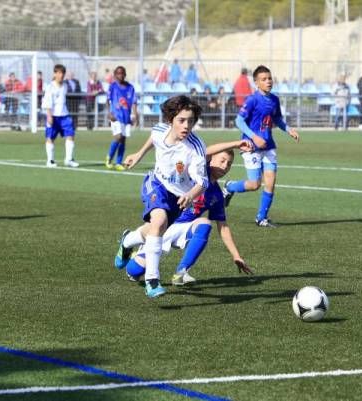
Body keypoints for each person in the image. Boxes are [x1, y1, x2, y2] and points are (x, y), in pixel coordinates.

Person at [114, 95, 209, 298]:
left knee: (154, 229)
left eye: (191, 121)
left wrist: (191, 195)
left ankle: (127, 241)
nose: (186, 126)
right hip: (156, 183)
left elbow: (203, 182)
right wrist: (138, 155)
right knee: (159, 221)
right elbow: (153, 138)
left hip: (179, 197)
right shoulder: (160, 130)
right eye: (181, 120)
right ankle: (152, 280)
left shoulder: (196, 148)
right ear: (170, 119)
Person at [122, 143, 254, 286]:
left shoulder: (216, 194)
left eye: (229, 164)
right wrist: (236, 144)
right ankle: (131, 243)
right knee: (135, 272)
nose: (225, 166)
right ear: (211, 160)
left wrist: (236, 256)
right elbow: (205, 152)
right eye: (222, 161)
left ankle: (181, 272)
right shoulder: (196, 171)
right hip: (165, 223)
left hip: (184, 228)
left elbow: (223, 227)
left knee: (204, 223)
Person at [222, 65, 300, 228]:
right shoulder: (252, 100)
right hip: (251, 147)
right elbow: (239, 121)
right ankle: (230, 187)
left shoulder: (274, 100)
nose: (268, 81)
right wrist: (254, 137)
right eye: (264, 79)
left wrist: (288, 129)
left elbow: (277, 119)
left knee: (270, 182)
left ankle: (261, 217)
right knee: (254, 184)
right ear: (257, 83)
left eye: (270, 78)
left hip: (269, 146)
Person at [42, 64, 79, 168]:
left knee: (70, 135)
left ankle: (69, 159)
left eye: (63, 73)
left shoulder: (65, 86)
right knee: (50, 137)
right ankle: (50, 161)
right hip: (53, 116)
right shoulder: (50, 87)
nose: (61, 75)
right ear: (55, 74)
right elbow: (46, 102)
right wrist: (49, 115)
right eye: (59, 73)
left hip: (65, 115)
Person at [105, 66, 138, 171]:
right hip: (115, 116)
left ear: (125, 75)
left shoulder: (130, 88)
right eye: (118, 73)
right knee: (118, 136)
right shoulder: (112, 86)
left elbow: (134, 102)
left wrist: (135, 115)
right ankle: (109, 157)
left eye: (122, 73)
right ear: (115, 75)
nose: (120, 75)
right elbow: (107, 100)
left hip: (126, 117)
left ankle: (118, 162)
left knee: (123, 140)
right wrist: (109, 113)